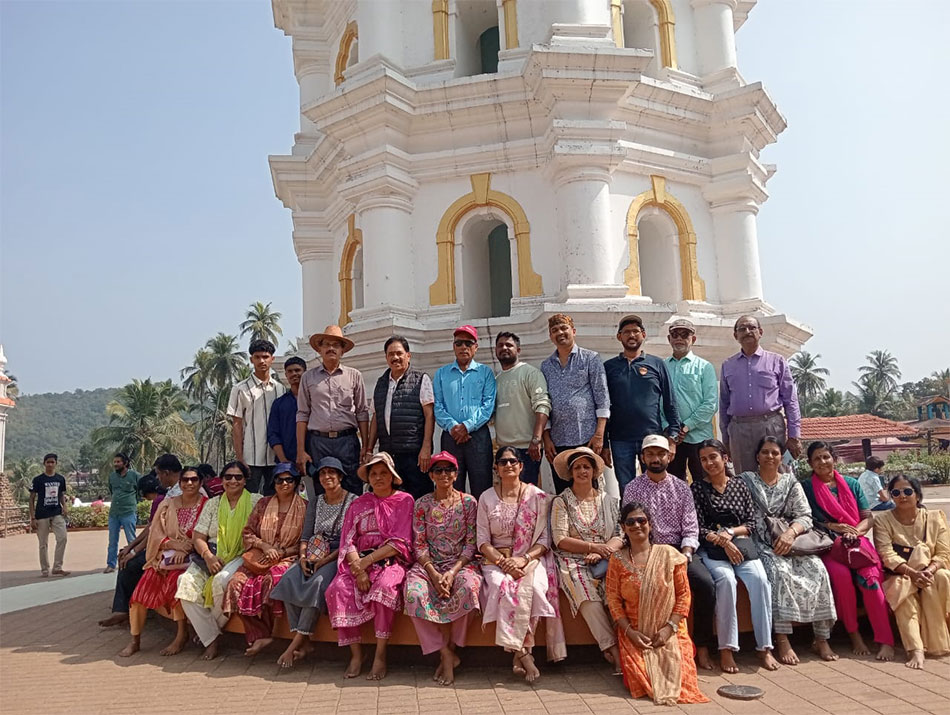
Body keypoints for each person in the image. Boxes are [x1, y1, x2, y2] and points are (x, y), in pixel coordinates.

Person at [740, 437, 838, 664]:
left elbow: (805, 515)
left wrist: (790, 534)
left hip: (792, 541)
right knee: (777, 573)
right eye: (765, 452)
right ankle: (782, 638)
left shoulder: (791, 483)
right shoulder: (746, 481)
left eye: (775, 453)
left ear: (781, 456)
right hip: (762, 543)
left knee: (818, 569)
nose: (770, 457)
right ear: (757, 457)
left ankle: (821, 638)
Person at [622, 435, 716, 670]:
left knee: (705, 584)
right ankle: (647, 647)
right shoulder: (632, 488)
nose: (655, 459)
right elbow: (630, 525)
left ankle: (702, 646)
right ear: (643, 458)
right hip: (647, 550)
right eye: (650, 454)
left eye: (660, 454)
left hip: (677, 550)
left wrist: (685, 555)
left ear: (670, 456)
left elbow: (691, 527)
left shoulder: (682, 488)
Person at [605, 502, 709, 706]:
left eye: (642, 520)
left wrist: (669, 628)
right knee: (642, 681)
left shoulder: (669, 555)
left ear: (650, 525)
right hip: (634, 633)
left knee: (683, 682)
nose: (637, 525)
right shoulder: (617, 560)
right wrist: (630, 633)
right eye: (630, 522)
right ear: (624, 528)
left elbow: (683, 596)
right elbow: (613, 599)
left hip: (671, 630)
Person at [477, 446, 565, 683]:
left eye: (513, 461)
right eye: (503, 462)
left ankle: (519, 650)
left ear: (521, 466)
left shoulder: (536, 496)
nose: (508, 466)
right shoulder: (486, 498)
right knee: (501, 586)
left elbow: (545, 540)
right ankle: (524, 653)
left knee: (535, 588)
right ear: (496, 467)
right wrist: (504, 562)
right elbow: (482, 541)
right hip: (496, 560)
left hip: (530, 559)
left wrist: (523, 559)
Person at [801, 440, 895, 661]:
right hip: (828, 545)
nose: (822, 462)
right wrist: (834, 527)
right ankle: (854, 635)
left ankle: (885, 639)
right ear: (810, 463)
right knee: (841, 578)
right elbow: (809, 519)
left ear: (834, 458)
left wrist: (854, 532)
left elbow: (868, 518)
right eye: (817, 458)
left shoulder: (852, 484)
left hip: (857, 542)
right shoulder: (806, 488)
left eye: (826, 456)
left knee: (871, 579)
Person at [325, 451, 414, 680]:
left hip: (389, 562)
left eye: (384, 473)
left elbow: (400, 542)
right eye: (373, 473)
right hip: (358, 563)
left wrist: (367, 562)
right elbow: (348, 540)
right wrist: (359, 567)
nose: (378, 478)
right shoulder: (358, 503)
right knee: (337, 590)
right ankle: (356, 654)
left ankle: (380, 654)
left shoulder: (404, 501)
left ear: (393, 476)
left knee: (384, 588)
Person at [692, 440, 778, 672]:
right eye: (704, 459)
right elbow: (698, 528)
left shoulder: (740, 485)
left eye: (713, 457)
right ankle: (726, 649)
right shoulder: (698, 489)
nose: (709, 462)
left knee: (760, 580)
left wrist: (730, 534)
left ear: (725, 458)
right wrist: (721, 540)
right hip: (711, 548)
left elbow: (750, 523)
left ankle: (765, 647)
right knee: (726, 581)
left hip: (741, 545)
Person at [403, 451, 482, 685]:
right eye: (438, 470)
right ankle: (445, 654)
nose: (444, 474)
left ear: (456, 474)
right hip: (429, 566)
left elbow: (471, 542)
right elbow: (418, 543)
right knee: (413, 594)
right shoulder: (422, 504)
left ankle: (452, 647)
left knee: (470, 588)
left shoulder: (469, 503)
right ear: (431, 476)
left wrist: (452, 572)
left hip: (460, 564)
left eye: (449, 470)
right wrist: (435, 574)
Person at [271, 457, 357, 669]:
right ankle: (304, 641)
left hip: (338, 553)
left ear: (340, 476)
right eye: (322, 473)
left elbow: (349, 539)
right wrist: (302, 557)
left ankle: (294, 645)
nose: (327, 477)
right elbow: (306, 534)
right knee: (290, 579)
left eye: (331, 473)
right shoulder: (316, 501)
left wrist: (324, 561)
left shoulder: (352, 501)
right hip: (312, 552)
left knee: (317, 584)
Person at [176, 461, 262, 660]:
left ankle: (207, 635)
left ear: (245, 480)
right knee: (184, 583)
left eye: (238, 477)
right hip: (211, 553)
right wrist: (208, 557)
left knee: (221, 581)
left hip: (242, 554)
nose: (233, 481)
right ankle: (212, 637)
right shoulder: (213, 503)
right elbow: (198, 536)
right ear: (221, 480)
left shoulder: (256, 501)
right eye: (228, 477)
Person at [120, 465, 207, 657]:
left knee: (175, 588)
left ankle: (180, 636)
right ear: (180, 482)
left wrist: (188, 547)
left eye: (194, 480)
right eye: (185, 480)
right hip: (164, 559)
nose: (189, 483)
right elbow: (156, 534)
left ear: (201, 482)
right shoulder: (168, 504)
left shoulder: (207, 505)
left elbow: (207, 534)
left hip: (191, 560)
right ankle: (135, 640)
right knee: (139, 594)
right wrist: (172, 544)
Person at [551, 447, 623, 671]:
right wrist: (592, 547)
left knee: (619, 593)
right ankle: (612, 650)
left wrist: (603, 551)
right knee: (587, 596)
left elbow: (621, 534)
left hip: (607, 558)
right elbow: (560, 539)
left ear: (594, 471)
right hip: (572, 559)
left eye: (586, 466)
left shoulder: (610, 501)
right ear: (570, 472)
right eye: (577, 467)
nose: (582, 471)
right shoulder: (561, 502)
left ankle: (631, 646)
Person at [223, 462, 306, 656]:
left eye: (289, 479)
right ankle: (259, 634)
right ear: (273, 482)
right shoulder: (263, 504)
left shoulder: (306, 508)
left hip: (289, 557)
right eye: (279, 479)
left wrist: (282, 552)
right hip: (260, 556)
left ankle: (269, 634)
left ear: (295, 482)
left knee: (272, 580)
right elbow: (248, 533)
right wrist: (265, 546)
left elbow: (307, 540)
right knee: (235, 583)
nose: (284, 484)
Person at [873, 475, 950, 669]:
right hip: (900, 574)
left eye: (907, 491)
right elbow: (886, 554)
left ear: (917, 495)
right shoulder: (883, 520)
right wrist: (913, 573)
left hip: (930, 573)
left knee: (942, 576)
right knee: (903, 592)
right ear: (891, 496)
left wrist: (928, 570)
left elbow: (943, 552)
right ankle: (915, 649)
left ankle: (936, 641)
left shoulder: (934, 517)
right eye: (896, 492)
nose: (902, 496)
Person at [604, 315, 680, 493]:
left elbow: (670, 401)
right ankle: (629, 522)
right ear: (619, 337)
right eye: (627, 332)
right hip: (620, 439)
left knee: (655, 486)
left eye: (636, 331)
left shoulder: (657, 364)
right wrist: (605, 444)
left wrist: (673, 436)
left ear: (643, 334)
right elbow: (603, 406)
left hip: (651, 436)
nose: (631, 335)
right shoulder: (609, 367)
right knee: (626, 489)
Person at [98, 462, 179, 628]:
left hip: (168, 547)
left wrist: (133, 550)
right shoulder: (168, 495)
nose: (157, 478)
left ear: (166, 473)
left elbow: (153, 530)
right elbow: (152, 527)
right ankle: (122, 609)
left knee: (131, 563)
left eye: (158, 474)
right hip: (159, 544)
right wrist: (130, 548)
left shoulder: (165, 499)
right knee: (127, 560)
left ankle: (126, 609)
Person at [719, 316, 801, 473]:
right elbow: (724, 403)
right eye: (742, 329)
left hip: (770, 425)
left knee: (778, 476)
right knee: (745, 479)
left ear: (760, 332)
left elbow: (791, 400)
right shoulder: (728, 365)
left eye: (752, 328)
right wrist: (726, 439)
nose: (747, 332)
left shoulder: (777, 361)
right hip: (739, 429)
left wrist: (794, 435)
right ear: (736, 336)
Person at [296, 325, 370, 496]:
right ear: (319, 349)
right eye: (326, 344)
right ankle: (324, 523)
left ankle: (352, 522)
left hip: (347, 441)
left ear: (342, 351)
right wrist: (301, 450)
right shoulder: (308, 377)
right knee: (322, 489)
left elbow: (362, 412)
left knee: (352, 486)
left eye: (336, 345)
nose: (331, 348)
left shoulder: (354, 376)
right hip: (318, 443)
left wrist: (365, 447)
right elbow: (302, 414)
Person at [540, 313, 611, 494]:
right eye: (555, 330)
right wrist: (546, 438)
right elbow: (544, 403)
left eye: (564, 328)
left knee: (589, 490)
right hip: (558, 440)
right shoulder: (546, 365)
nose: (560, 333)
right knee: (564, 491)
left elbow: (602, 397)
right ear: (550, 336)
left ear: (573, 331)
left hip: (586, 437)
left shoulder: (590, 359)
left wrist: (599, 435)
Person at [367, 336, 435, 500]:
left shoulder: (420, 379)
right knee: (391, 499)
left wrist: (426, 447)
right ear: (386, 357)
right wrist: (369, 449)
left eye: (399, 353)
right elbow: (376, 417)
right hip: (388, 454)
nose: (395, 357)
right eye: (391, 354)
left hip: (414, 454)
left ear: (408, 355)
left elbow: (429, 415)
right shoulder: (381, 383)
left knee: (418, 497)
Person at [432, 325, 496, 498]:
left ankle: (481, 524)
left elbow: (488, 405)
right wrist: (454, 427)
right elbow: (437, 405)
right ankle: (456, 524)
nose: (463, 347)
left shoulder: (485, 373)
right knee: (451, 486)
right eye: (459, 343)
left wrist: (467, 427)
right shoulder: (441, 374)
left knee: (482, 486)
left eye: (468, 343)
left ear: (476, 346)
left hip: (478, 437)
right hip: (450, 436)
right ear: (453, 346)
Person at [228, 339, 286, 494]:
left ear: (272, 359)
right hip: (250, 457)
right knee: (248, 499)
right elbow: (237, 424)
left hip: (275, 455)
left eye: (266, 357)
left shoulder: (280, 389)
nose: (262, 361)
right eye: (257, 357)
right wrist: (240, 458)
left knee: (274, 499)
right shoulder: (240, 389)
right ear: (251, 359)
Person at [493, 332, 551, 486]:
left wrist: (536, 439)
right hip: (504, 450)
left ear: (518, 350)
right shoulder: (496, 380)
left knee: (528, 497)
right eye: (500, 345)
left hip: (527, 448)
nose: (504, 348)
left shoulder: (530, 373)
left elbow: (543, 406)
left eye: (509, 345)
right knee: (509, 496)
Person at [664, 319, 717, 481]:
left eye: (684, 334)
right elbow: (659, 402)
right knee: (674, 484)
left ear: (693, 339)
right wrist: (670, 429)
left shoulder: (705, 367)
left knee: (705, 483)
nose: (679, 338)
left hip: (699, 436)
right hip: (672, 439)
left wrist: (686, 427)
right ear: (669, 339)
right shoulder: (662, 366)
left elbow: (710, 403)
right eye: (675, 334)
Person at [267, 355, 307, 488]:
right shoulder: (279, 403)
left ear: (305, 372)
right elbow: (273, 434)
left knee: (314, 500)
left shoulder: (315, 401)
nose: (294, 374)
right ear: (285, 374)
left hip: (311, 460)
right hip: (286, 463)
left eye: (297, 370)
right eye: (290, 371)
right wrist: (284, 461)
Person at [30, 453, 69, 578]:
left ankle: (57, 567)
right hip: (41, 514)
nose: (50, 464)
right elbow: (31, 499)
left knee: (62, 538)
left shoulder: (60, 479)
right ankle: (45, 569)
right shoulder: (38, 480)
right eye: (48, 462)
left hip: (57, 512)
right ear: (44, 463)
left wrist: (65, 506)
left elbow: (61, 494)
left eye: (53, 462)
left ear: (56, 464)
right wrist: (32, 517)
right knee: (43, 543)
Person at [105, 452, 140, 573]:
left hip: (129, 511)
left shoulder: (134, 476)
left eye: (118, 462)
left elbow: (140, 491)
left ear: (125, 463)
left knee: (132, 539)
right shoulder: (112, 477)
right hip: (114, 513)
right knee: (112, 540)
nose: (116, 464)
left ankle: (135, 563)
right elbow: (111, 491)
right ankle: (110, 565)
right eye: (115, 462)